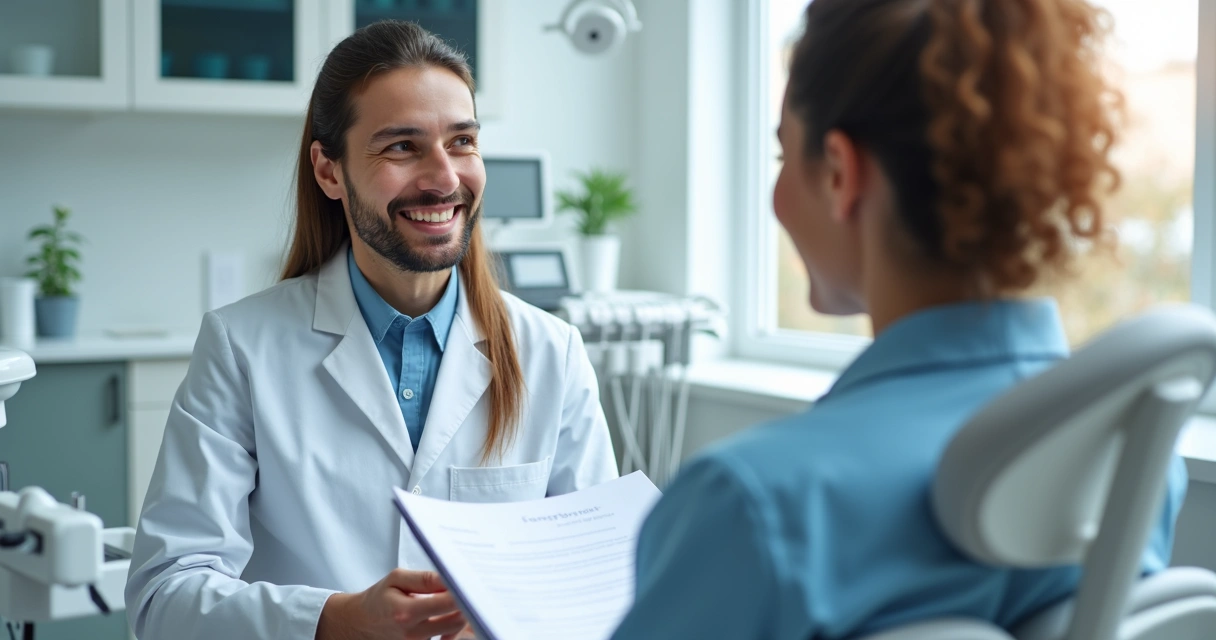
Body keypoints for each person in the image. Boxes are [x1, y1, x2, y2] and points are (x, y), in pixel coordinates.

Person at [610, 0, 1188, 638]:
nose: (776, 195)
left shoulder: (754, 504)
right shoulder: (1132, 452)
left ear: (839, 172)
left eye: (782, 158)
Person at [125, 21, 617, 640]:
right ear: (329, 172)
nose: (443, 178)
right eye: (402, 147)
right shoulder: (242, 347)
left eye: (461, 141)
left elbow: (593, 584)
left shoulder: (552, 353)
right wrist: (336, 620)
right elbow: (163, 598)